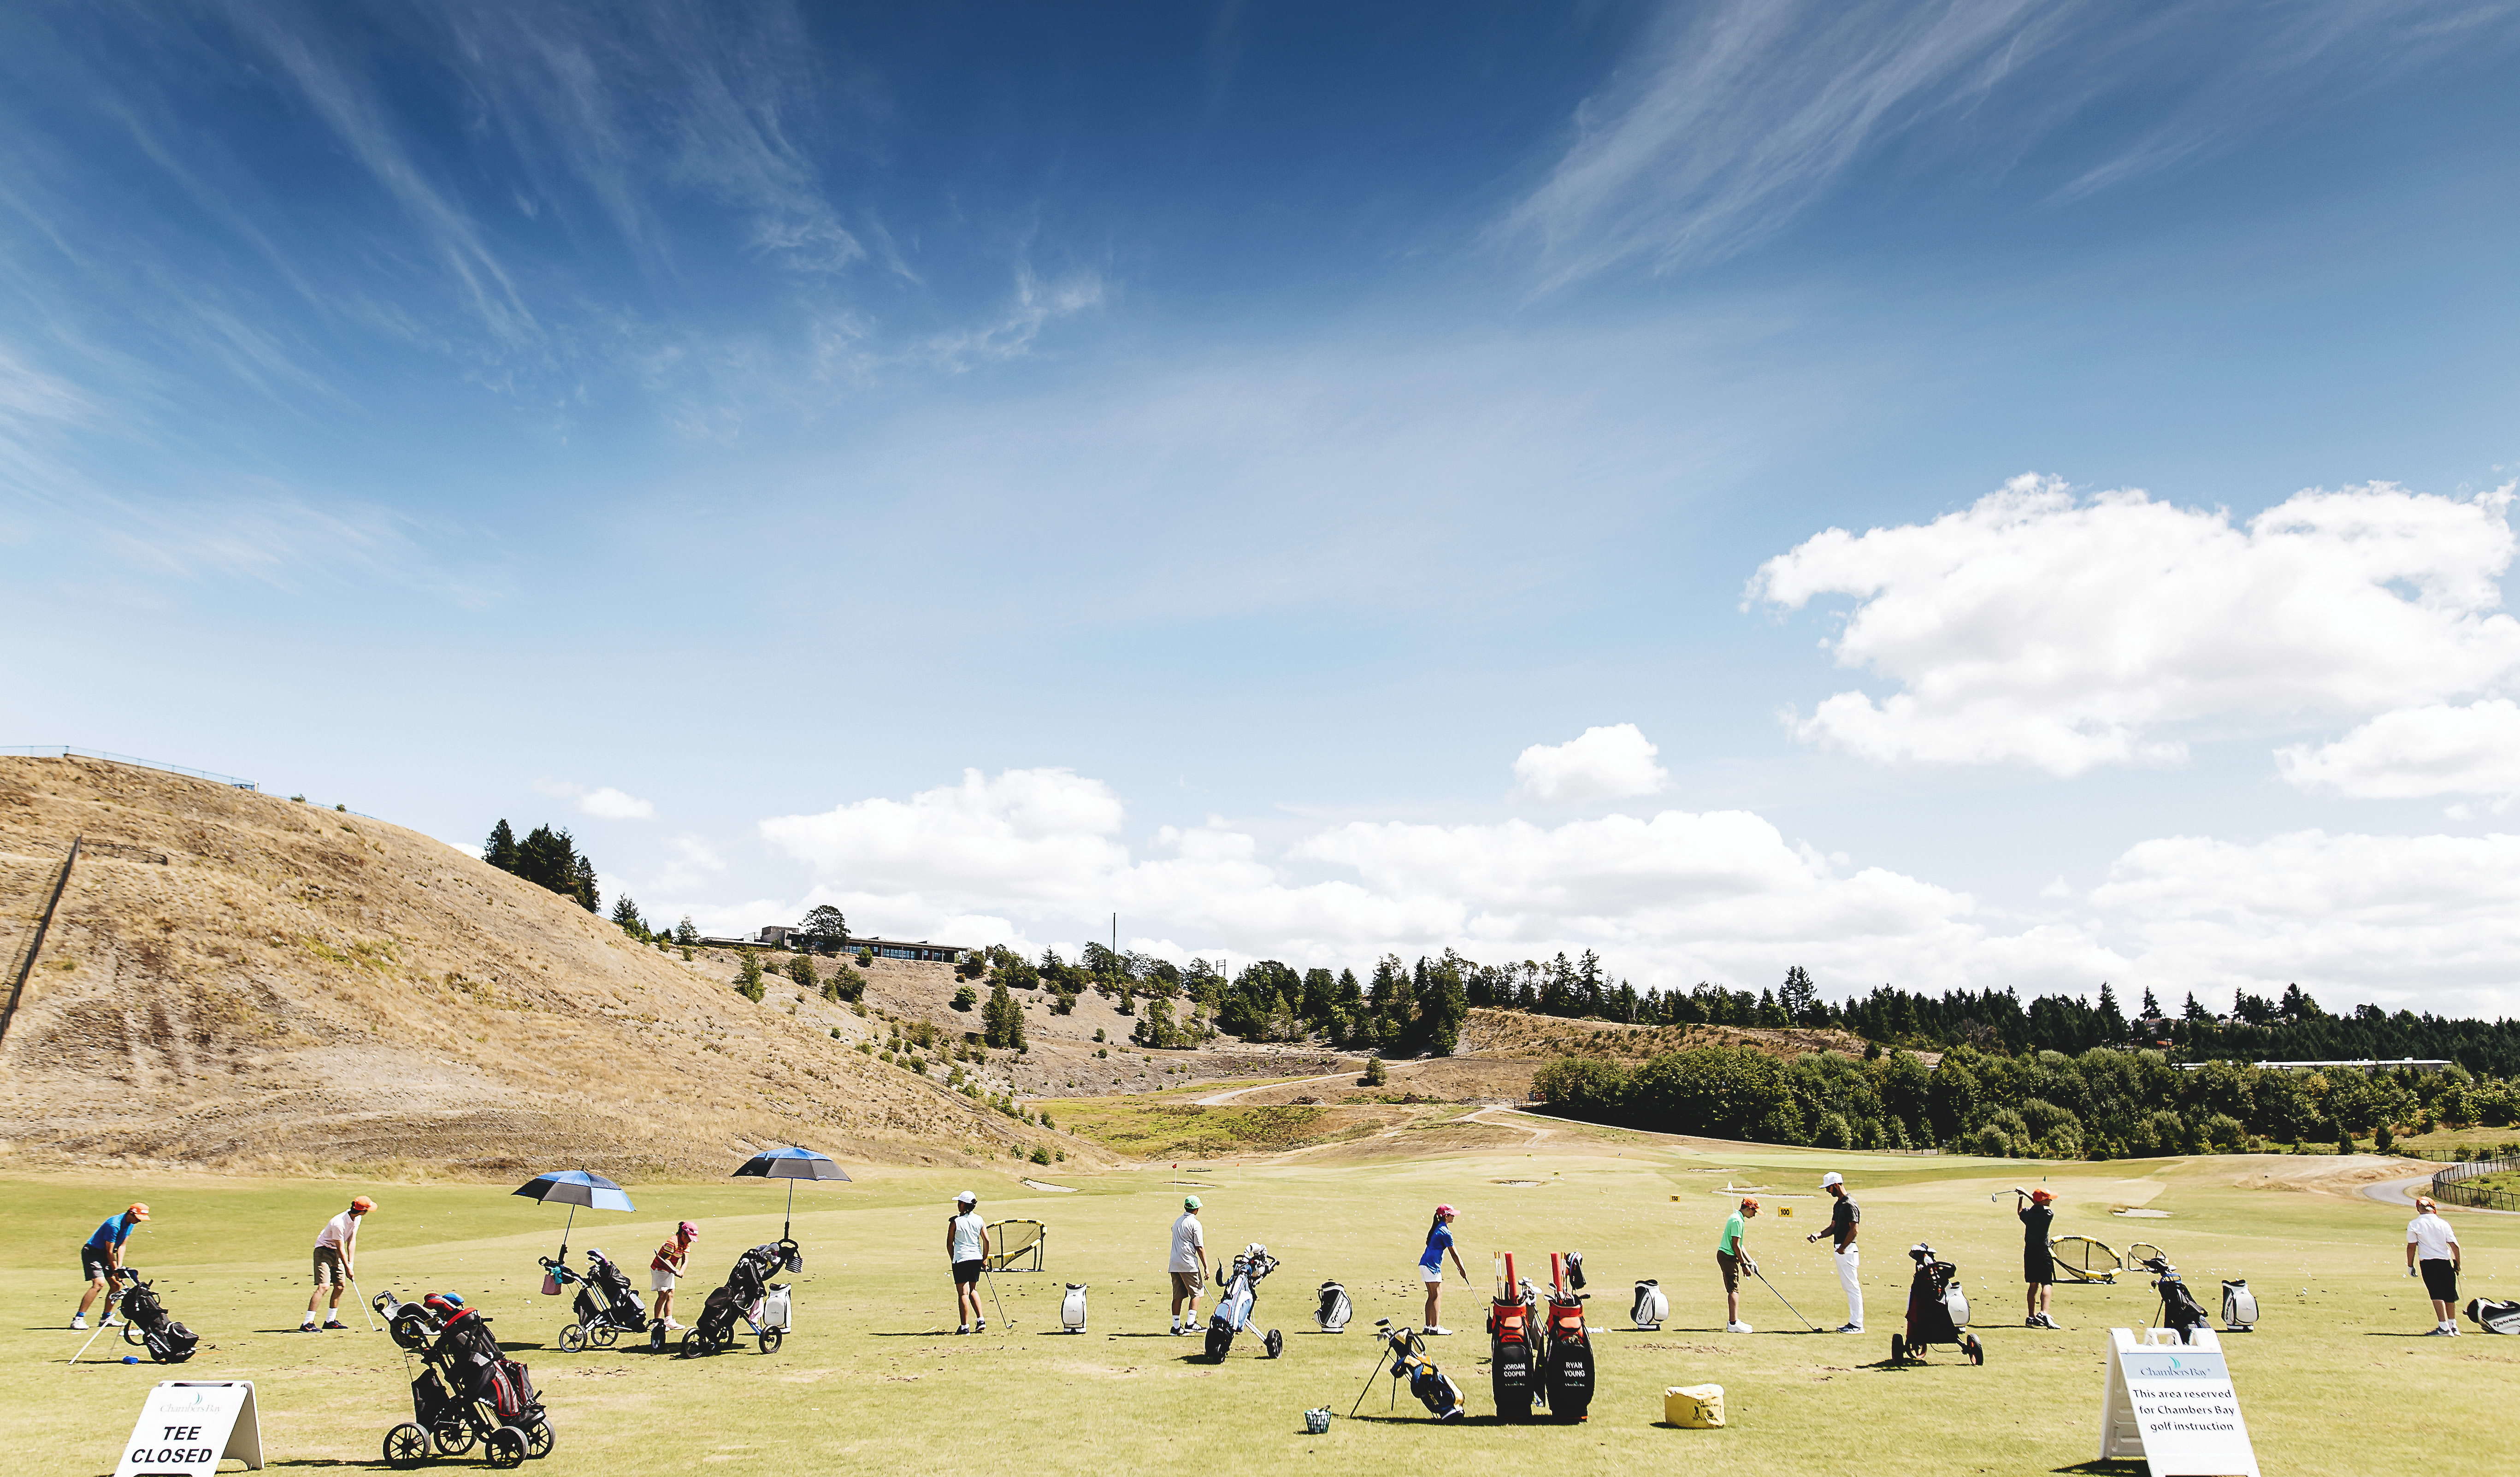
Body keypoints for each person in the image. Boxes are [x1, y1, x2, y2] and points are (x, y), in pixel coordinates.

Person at [301, 1196, 374, 1330]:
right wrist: (347, 1268)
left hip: (337, 1252)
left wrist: (351, 1265)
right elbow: (341, 1248)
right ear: (362, 1210)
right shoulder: (338, 1223)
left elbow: (352, 1241)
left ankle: (330, 1321)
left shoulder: (357, 1218)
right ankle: (307, 1323)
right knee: (324, 1287)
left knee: (340, 1285)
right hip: (323, 1252)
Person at [75, 1202, 149, 1330]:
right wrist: (115, 1271)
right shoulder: (114, 1225)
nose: (139, 1221)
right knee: (99, 1284)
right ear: (130, 1213)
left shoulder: (130, 1224)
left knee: (116, 1285)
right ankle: (78, 1319)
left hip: (106, 1255)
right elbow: (109, 1252)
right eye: (137, 1218)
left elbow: (122, 1246)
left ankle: (106, 1318)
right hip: (93, 1253)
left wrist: (119, 1268)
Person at [1804, 1171, 1861, 1333]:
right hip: (1841, 1250)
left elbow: (1854, 1230)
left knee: (1852, 1287)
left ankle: (1857, 1324)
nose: (1828, 1191)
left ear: (1836, 1185)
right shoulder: (1838, 1205)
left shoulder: (1850, 1204)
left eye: (1829, 1188)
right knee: (1848, 1287)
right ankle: (1854, 1323)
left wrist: (1843, 1247)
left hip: (1848, 1251)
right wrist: (1818, 1235)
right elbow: (1833, 1228)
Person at [2407, 1195, 2462, 1335]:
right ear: (2434, 1208)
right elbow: (2455, 1246)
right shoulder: (2444, 1224)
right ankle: (2453, 1326)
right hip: (2446, 1261)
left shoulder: (2415, 1224)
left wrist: (2410, 1265)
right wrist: (2458, 1264)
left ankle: (2444, 1328)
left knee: (2436, 1294)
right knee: (2449, 1294)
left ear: (2418, 1209)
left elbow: (2411, 1247)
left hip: (2429, 1263)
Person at [1418, 1204, 1470, 1334]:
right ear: (1446, 1216)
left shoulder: (1438, 1227)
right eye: (1452, 1214)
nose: (1454, 1216)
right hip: (1431, 1266)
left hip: (1425, 1264)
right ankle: (1435, 1328)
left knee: (1432, 1296)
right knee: (1437, 1295)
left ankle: (1428, 1326)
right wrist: (1462, 1269)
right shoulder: (1445, 1232)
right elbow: (1454, 1254)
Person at [2015, 1188, 2059, 1328]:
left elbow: (2020, 1212)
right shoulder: (2048, 1213)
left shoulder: (2029, 1213)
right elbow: (2036, 1203)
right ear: (2042, 1200)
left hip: (2029, 1252)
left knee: (2033, 1284)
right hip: (2042, 1251)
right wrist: (2026, 1194)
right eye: (2048, 1198)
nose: (2051, 1200)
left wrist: (2022, 1196)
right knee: (2047, 1283)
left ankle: (2031, 1317)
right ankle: (2044, 1314)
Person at [1716, 1196, 1759, 1333]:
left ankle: (1734, 1320)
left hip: (1729, 1256)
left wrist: (1751, 1261)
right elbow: (1735, 1246)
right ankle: (1733, 1324)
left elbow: (1740, 1245)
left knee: (1734, 1287)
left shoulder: (1737, 1218)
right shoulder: (1737, 1221)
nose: (1755, 1215)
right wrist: (1744, 1265)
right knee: (1733, 1289)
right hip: (1727, 1256)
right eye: (1754, 1212)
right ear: (1748, 1209)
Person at [947, 1191, 988, 1335]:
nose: (958, 1205)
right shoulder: (980, 1219)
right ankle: (981, 1320)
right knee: (973, 1290)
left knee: (963, 1293)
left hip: (961, 1259)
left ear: (963, 1204)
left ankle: (965, 1327)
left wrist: (955, 1259)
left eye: (959, 1202)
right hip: (976, 1259)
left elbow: (949, 1244)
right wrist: (984, 1258)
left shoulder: (955, 1222)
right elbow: (987, 1241)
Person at [1169, 1196, 1208, 1335]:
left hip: (1174, 1263)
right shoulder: (1196, 1224)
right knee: (1197, 1293)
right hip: (1188, 1264)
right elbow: (1200, 1247)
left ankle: (1176, 1328)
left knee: (1178, 1295)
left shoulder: (1178, 1221)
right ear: (1196, 1209)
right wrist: (1206, 1267)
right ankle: (1191, 1323)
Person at [651, 1221, 699, 1330]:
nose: (691, 1240)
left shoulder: (687, 1243)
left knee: (671, 1293)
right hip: (659, 1269)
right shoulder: (672, 1242)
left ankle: (669, 1320)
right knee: (663, 1294)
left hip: (670, 1270)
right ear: (683, 1234)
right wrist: (675, 1271)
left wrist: (681, 1271)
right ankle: (657, 1323)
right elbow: (665, 1260)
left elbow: (685, 1260)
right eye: (690, 1237)